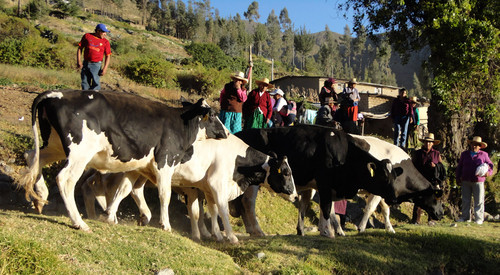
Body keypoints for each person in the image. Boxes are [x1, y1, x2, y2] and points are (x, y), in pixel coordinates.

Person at [456, 136, 494, 224]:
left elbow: (490, 165)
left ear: (480, 146)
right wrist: (458, 177)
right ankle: (465, 217)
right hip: (466, 180)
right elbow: (460, 167)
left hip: (478, 181)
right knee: (465, 200)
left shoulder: (484, 155)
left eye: (477, 145)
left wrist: (488, 172)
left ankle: (479, 218)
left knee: (479, 200)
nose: (474, 146)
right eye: (473, 144)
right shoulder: (464, 154)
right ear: (471, 144)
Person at [411, 133, 445, 225]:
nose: (428, 144)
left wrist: (435, 166)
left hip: (432, 180)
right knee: (418, 200)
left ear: (433, 143)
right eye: (426, 142)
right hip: (420, 180)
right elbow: (413, 166)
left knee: (432, 200)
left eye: (430, 142)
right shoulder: (418, 153)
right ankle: (416, 220)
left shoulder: (436, 154)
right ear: (424, 143)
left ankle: (431, 219)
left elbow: (441, 167)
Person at [77, 23, 112, 91]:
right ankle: (86, 98)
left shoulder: (105, 42)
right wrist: (79, 61)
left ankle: (95, 99)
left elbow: (108, 56)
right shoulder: (87, 36)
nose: (105, 34)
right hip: (86, 63)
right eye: (104, 32)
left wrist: (105, 69)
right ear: (98, 31)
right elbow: (80, 48)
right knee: (85, 82)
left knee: (96, 84)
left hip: (96, 65)